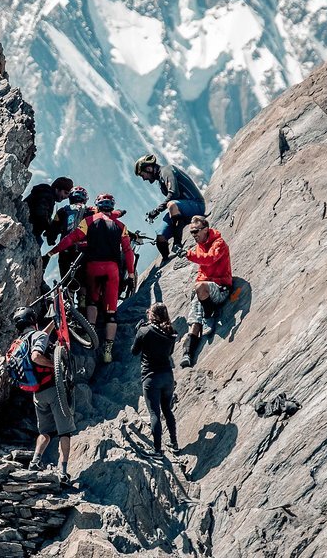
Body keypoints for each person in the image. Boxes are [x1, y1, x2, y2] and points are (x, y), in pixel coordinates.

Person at [48, 193, 136, 363]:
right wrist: (131, 273)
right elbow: (128, 251)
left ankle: (91, 334)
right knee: (112, 313)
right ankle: (107, 351)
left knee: (92, 301)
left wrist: (53, 252)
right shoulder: (120, 226)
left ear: (97, 205)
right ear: (111, 206)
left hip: (93, 267)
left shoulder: (88, 222)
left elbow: (70, 239)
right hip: (112, 269)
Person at [12, 308, 75, 481]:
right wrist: (55, 365)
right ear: (33, 319)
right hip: (53, 389)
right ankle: (63, 471)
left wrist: (53, 324)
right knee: (65, 432)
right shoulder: (37, 337)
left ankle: (35, 461)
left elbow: (41, 336)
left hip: (37, 393)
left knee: (45, 431)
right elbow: (36, 356)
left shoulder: (21, 341)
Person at [179, 216, 233, 367]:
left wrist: (188, 255)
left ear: (205, 229)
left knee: (200, 288)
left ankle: (210, 314)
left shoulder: (219, 243)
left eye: (195, 231)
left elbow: (210, 259)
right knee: (194, 319)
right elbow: (202, 271)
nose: (194, 235)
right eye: (191, 232)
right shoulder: (199, 246)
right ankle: (188, 353)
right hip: (205, 289)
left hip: (221, 287)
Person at [133, 154, 206, 262]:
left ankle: (177, 244)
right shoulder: (161, 179)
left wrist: (156, 210)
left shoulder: (166, 170)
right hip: (181, 209)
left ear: (148, 168)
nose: (144, 179)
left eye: (142, 175)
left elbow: (174, 193)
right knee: (160, 237)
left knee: (172, 204)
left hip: (196, 205)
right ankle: (166, 260)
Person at [131, 304, 178, 454]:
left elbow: (134, 351)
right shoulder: (171, 332)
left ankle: (157, 450)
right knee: (167, 410)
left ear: (152, 315)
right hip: (168, 376)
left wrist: (137, 332)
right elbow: (170, 352)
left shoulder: (144, 331)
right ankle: (174, 443)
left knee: (154, 413)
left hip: (151, 377)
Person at [25, 176, 74, 252]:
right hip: (27, 228)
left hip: (28, 226)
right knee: (36, 243)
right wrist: (49, 227)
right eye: (65, 193)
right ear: (57, 189)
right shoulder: (47, 195)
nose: (66, 197)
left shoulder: (46, 194)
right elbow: (41, 213)